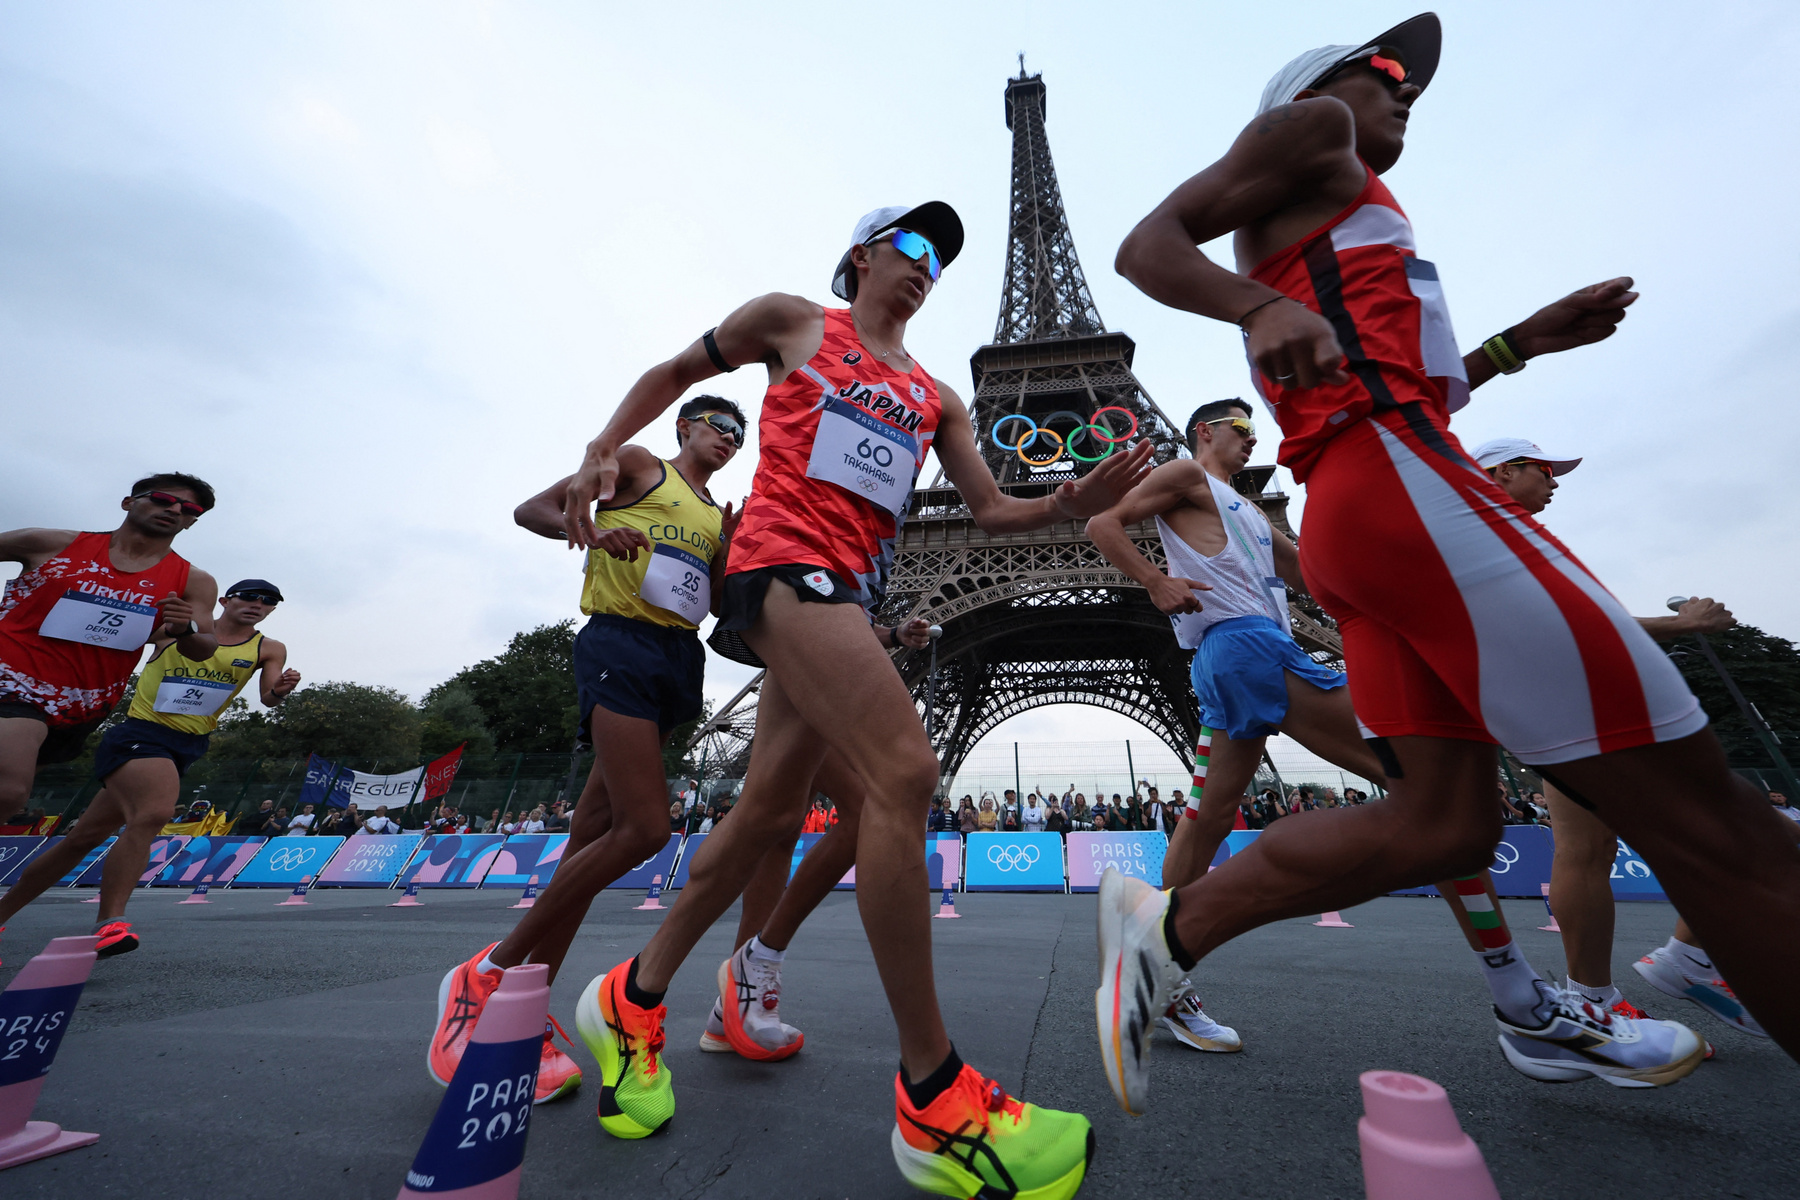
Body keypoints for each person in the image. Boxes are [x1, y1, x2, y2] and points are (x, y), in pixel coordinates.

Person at [1095, 11, 1796, 1117]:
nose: (1402, 84)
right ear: (1314, 93)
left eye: (1405, 75)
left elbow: (1382, 368)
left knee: (1444, 824)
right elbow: (1145, 248)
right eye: (1381, 68)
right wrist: (1257, 302)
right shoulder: (1315, 132)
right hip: (1404, 485)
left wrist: (1522, 342)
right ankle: (1576, 996)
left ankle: (1166, 928)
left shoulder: (1342, 207)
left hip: (1355, 507)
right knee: (1722, 826)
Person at [558, 202, 1149, 1196]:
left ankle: (634, 994)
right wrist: (601, 447)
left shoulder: (936, 395)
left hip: (853, 592)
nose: (925, 266)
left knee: (766, 816)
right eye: (910, 246)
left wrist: (1061, 504)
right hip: (785, 568)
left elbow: (991, 510)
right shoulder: (795, 322)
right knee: (906, 774)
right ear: (863, 255)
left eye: (939, 260)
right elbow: (675, 373)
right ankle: (934, 1095)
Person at [426, 393, 743, 1109]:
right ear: (684, 428)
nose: (729, 438)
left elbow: (716, 605)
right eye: (717, 426)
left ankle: (521, 1013)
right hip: (620, 644)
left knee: (592, 834)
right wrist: (597, 533)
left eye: (739, 433)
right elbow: (532, 511)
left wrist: (733, 545)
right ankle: (490, 973)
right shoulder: (638, 466)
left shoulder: (714, 513)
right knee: (646, 829)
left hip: (676, 658)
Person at [1471, 436, 1774, 1039]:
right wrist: (1682, 625)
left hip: (1551, 704)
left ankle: (1596, 995)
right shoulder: (1503, 535)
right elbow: (1571, 622)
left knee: (1585, 851)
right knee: (1747, 825)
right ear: (1505, 471)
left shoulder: (1490, 535)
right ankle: (1684, 958)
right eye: (1546, 471)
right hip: (1582, 703)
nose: (1555, 482)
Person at [0, 574, 295, 959]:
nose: (258, 604)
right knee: (153, 813)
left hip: (189, 745)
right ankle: (110, 924)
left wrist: (281, 690)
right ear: (224, 600)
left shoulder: (268, 648)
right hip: (141, 733)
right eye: (249, 597)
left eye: (268, 601)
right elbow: (106, 631)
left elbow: (268, 698)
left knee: (82, 840)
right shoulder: (174, 630)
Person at [0, 473, 221, 957]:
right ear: (128, 501)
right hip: (11, 677)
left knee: (81, 835)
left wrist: (184, 628)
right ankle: (111, 919)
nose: (175, 510)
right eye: (163, 499)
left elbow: (204, 647)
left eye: (189, 511)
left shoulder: (191, 581)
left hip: (81, 706)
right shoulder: (52, 543)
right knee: (10, 790)